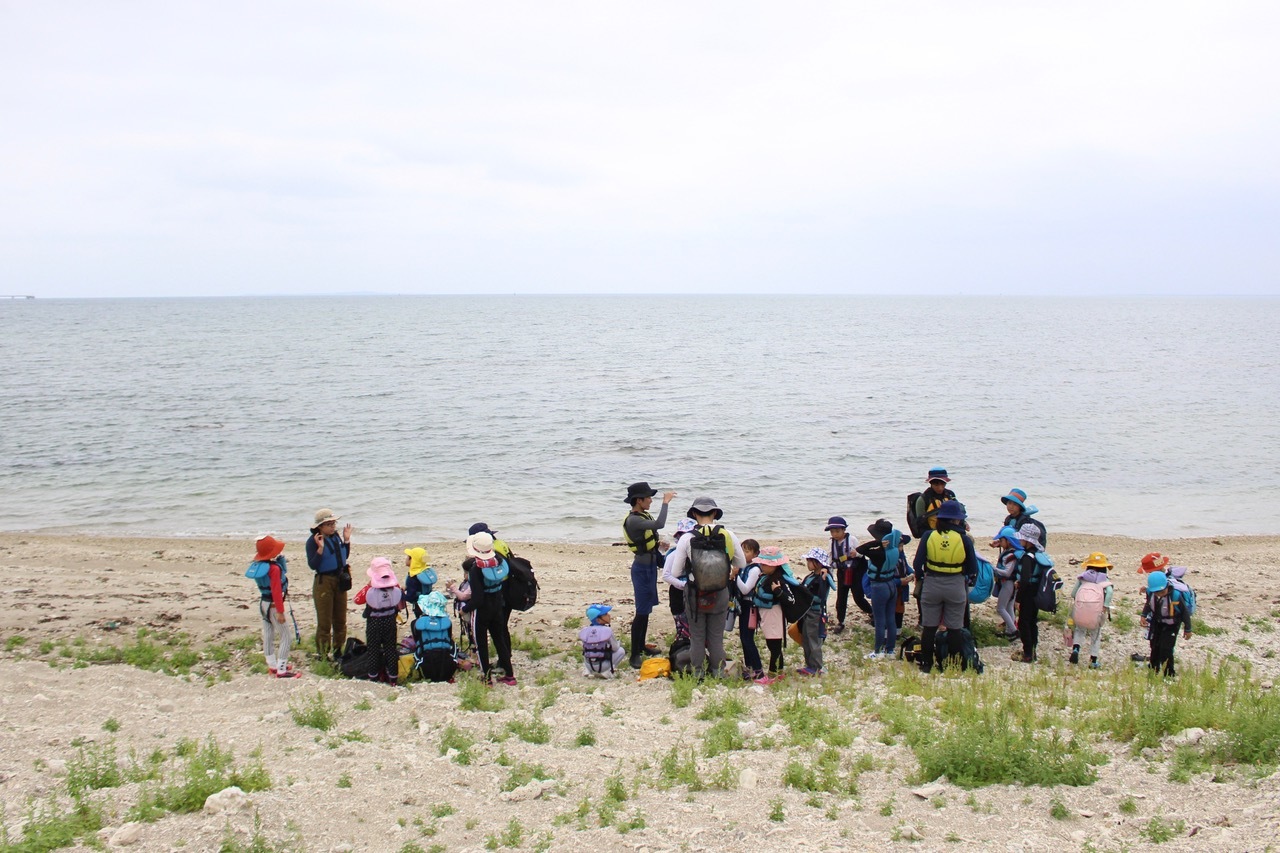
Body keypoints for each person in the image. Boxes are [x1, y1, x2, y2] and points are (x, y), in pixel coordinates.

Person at [662, 496, 746, 679]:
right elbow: (742, 562)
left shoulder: (687, 538)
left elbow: (675, 573)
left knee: (697, 636)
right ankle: (717, 672)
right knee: (716, 636)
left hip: (694, 594)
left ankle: (698, 673)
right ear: (715, 513)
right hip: (721, 592)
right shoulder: (728, 535)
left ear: (693, 514)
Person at [911, 500, 977, 673]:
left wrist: (922, 576)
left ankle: (927, 664)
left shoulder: (928, 536)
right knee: (955, 628)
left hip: (932, 583)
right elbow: (973, 568)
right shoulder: (964, 539)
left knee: (929, 627)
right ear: (957, 520)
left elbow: (917, 564)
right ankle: (952, 664)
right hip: (955, 584)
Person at [622, 482, 677, 668]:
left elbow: (648, 537)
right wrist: (666, 502)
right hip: (642, 570)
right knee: (641, 612)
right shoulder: (634, 520)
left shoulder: (641, 516)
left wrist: (658, 545)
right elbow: (659, 524)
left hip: (650, 564)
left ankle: (642, 645)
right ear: (639, 500)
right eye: (648, 498)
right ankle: (634, 654)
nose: (651, 501)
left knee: (646, 611)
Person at [464, 531, 516, 685]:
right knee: (499, 639)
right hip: (498, 604)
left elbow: (478, 598)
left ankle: (486, 678)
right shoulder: (499, 561)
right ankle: (510, 676)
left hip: (482, 609)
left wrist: (466, 608)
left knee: (481, 644)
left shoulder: (476, 569)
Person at [245, 535, 300, 679]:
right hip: (274, 605)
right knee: (286, 637)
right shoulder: (274, 569)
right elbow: (276, 591)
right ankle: (282, 670)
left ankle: (272, 665)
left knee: (268, 634)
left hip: (263, 603)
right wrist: (280, 612)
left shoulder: (260, 568)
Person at [860, 520, 912, 660]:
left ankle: (877, 651)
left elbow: (860, 550)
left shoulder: (878, 554)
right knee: (890, 618)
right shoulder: (895, 550)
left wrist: (876, 544)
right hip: (891, 585)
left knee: (880, 620)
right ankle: (890, 650)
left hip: (879, 586)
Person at [305, 508, 352, 660]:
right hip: (324, 581)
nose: (332, 527)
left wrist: (346, 540)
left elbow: (343, 556)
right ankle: (323, 654)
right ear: (320, 526)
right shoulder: (312, 541)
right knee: (324, 621)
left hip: (340, 579)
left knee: (340, 619)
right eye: (329, 524)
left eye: (333, 523)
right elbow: (313, 565)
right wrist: (320, 549)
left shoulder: (336, 537)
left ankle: (338, 651)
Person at [353, 557, 406, 684]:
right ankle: (393, 677)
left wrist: (368, 585)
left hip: (374, 622)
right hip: (389, 620)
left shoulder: (369, 590)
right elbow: (401, 604)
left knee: (373, 650)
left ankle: (373, 677)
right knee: (391, 649)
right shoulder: (395, 587)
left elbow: (357, 599)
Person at [752, 546, 794, 683]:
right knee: (774, 645)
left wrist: (778, 592)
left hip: (774, 616)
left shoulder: (778, 580)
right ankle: (779, 673)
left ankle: (771, 676)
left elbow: (789, 599)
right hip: (767, 615)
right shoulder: (767, 577)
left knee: (774, 646)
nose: (762, 566)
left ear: (774, 565)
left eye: (765, 564)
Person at [1141, 570, 1192, 678]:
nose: (1159, 594)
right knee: (1154, 646)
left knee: (1166, 649)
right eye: (1157, 592)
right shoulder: (1151, 593)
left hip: (1172, 625)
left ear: (1167, 586)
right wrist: (1143, 615)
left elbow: (1184, 613)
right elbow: (1148, 605)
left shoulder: (1176, 596)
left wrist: (1188, 629)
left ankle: (1169, 674)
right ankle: (1153, 670)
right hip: (1157, 622)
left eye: (1162, 592)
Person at [1068, 553, 1115, 668]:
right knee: (1096, 635)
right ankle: (1093, 660)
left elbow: (1073, 593)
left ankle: (1076, 649)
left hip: (1081, 610)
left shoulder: (1083, 578)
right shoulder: (1104, 580)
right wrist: (1105, 606)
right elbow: (1109, 592)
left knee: (1079, 630)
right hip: (1096, 611)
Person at [826, 516, 870, 631]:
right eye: (832, 532)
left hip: (856, 571)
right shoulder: (831, 542)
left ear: (844, 530)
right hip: (842, 571)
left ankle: (871, 612)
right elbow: (830, 557)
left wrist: (856, 554)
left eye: (837, 531)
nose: (834, 534)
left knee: (858, 596)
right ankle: (840, 621)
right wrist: (827, 569)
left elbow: (861, 553)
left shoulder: (852, 540)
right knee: (841, 597)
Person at [1011, 524, 1047, 663]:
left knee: (1023, 623)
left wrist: (1018, 599)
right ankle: (1033, 651)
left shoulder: (1027, 557)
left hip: (1027, 593)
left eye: (1022, 539)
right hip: (1036, 592)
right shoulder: (1037, 555)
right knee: (1032, 621)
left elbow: (1025, 580)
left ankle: (1027, 654)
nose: (1019, 541)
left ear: (1028, 540)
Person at [733, 539, 765, 681]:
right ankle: (750, 667)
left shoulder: (755, 569)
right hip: (743, 606)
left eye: (747, 551)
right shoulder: (744, 566)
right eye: (742, 550)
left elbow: (746, 589)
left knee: (748, 638)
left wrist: (734, 576)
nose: (743, 554)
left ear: (756, 553)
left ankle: (758, 669)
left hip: (751, 606)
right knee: (743, 637)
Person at [798, 549, 833, 675]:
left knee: (814, 640)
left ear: (817, 563)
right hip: (806, 612)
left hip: (815, 613)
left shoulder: (823, 578)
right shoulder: (811, 576)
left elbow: (821, 596)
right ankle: (810, 665)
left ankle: (818, 667)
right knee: (806, 639)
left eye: (809, 561)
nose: (807, 564)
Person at [411, 591, 458, 683]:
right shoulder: (447, 623)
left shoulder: (415, 623)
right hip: (448, 667)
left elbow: (417, 641)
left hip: (425, 666)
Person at [665, 518, 697, 641]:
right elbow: (666, 575)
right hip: (678, 591)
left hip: (693, 590)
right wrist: (683, 585)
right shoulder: (673, 554)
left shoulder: (695, 553)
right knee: (681, 621)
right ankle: (682, 645)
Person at [990, 526, 1023, 640]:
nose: (1000, 542)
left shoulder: (1010, 555)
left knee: (1001, 608)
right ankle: (1010, 631)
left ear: (1009, 541)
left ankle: (1013, 631)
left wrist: (993, 569)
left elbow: (1007, 572)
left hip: (1008, 583)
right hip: (1010, 584)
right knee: (1009, 607)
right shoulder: (1010, 552)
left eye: (1002, 540)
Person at [579, 604, 627, 677]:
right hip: (603, 665)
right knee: (621, 651)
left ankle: (588, 670)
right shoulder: (606, 631)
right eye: (605, 614)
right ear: (598, 620)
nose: (609, 615)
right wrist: (619, 643)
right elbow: (615, 648)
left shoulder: (585, 631)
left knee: (588, 650)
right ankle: (607, 671)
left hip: (589, 664)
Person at [403, 547, 438, 618]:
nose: (405, 559)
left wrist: (400, 594)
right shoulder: (425, 573)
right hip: (429, 604)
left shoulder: (413, 577)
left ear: (412, 560)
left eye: (408, 557)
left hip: (419, 606)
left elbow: (410, 598)